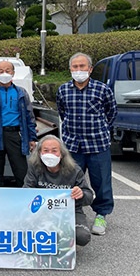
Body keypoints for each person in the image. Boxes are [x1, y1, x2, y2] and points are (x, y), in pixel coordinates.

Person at [56, 52, 118, 236]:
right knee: (69, 181)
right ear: (70, 69)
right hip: (73, 146)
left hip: (98, 144)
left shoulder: (102, 89)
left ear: (90, 69)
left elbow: (111, 112)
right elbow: (62, 113)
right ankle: (74, 212)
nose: (79, 70)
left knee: (102, 182)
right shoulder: (63, 90)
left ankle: (101, 214)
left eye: (82, 67)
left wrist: (101, 129)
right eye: (75, 67)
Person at [24, 135, 93, 247]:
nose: (49, 154)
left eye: (54, 151)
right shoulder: (35, 167)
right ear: (39, 153)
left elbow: (89, 196)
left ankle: (65, 241)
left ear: (61, 154)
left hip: (70, 212)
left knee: (82, 236)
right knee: (21, 229)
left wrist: (81, 194)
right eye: (45, 151)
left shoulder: (74, 170)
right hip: (41, 211)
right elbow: (26, 190)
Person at [0, 61, 37, 187]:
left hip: (15, 135)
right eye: (1, 71)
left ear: (13, 73)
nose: (4, 73)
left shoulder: (21, 92)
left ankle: (24, 199)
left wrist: (32, 138)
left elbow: (29, 116)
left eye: (8, 70)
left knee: (21, 170)